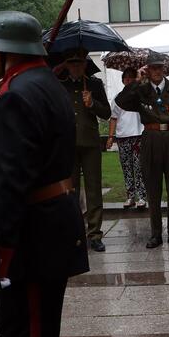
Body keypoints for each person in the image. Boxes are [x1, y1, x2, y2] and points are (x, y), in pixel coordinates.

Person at [0, 11, 114, 337]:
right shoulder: (44, 84)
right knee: (26, 331)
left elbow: (9, 180)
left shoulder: (18, 93)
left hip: (33, 234)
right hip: (50, 224)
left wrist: (0, 249)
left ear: (6, 52)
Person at [115, 52, 169, 248]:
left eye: (160, 67)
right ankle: (155, 234)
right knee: (153, 189)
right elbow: (121, 101)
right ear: (147, 70)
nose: (157, 71)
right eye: (153, 67)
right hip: (150, 140)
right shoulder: (140, 90)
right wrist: (136, 80)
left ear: (164, 69)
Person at [58, 48, 111, 252]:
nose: (76, 67)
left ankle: (95, 234)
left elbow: (106, 113)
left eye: (79, 63)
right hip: (68, 143)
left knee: (94, 189)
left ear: (85, 65)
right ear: (67, 65)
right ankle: (74, 233)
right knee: (71, 191)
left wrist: (92, 104)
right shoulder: (60, 85)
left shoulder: (94, 84)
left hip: (90, 142)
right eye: (72, 63)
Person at [106, 67, 147, 209]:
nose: (128, 80)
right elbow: (113, 118)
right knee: (127, 168)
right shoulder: (118, 98)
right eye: (126, 77)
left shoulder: (141, 95)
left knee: (139, 167)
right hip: (123, 137)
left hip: (138, 135)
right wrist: (111, 137)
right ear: (123, 80)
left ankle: (142, 196)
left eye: (131, 77)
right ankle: (130, 196)